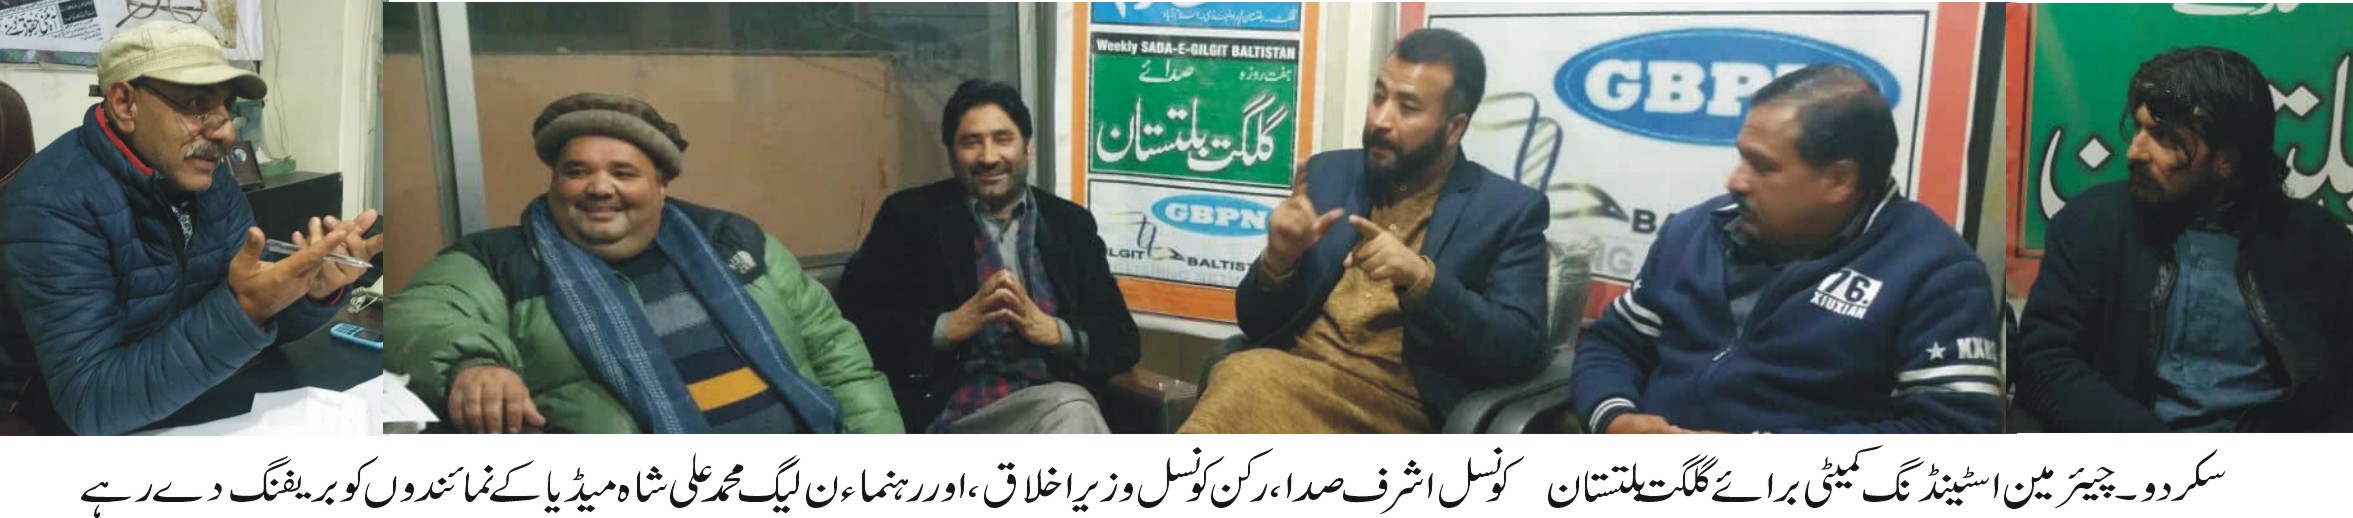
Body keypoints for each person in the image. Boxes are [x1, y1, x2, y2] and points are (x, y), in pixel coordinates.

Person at [386, 93, 900, 434]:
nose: (599, 187)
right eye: (577, 171)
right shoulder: (499, 261)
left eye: (623, 172)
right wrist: (474, 365)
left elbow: (838, 357)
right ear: (554, 182)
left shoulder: (732, 241)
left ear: (661, 185)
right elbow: (419, 314)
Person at [1570, 64, 2001, 434]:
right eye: (1742, 157)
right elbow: (1614, 343)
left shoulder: (1935, 272)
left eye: (1763, 166)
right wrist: (1615, 418)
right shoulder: (1696, 231)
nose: (1735, 181)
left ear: (1838, 180)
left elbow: (1953, 435)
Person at [0, 21, 379, 436]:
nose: (227, 131)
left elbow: (256, 329)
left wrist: (311, 290)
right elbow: (91, 402)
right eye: (198, 104)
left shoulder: (210, 181)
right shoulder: (52, 203)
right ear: (125, 104)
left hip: (187, 399)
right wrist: (246, 309)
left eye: (226, 106)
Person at [1178, 28, 1550, 433]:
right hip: (1292, 374)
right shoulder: (1329, 175)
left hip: (1393, 408)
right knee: (1243, 375)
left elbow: (1519, 350)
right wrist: (1278, 261)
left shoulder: (1507, 210)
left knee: (1244, 380)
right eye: (1378, 97)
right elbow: (1255, 323)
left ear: (1454, 128)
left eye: (1408, 108)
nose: (1381, 120)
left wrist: (1423, 280)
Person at [2013, 47, 2353, 432]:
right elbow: (2044, 363)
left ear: (2226, 162)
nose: (2135, 152)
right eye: (2138, 129)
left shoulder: (2321, 245)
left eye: (2163, 137)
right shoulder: (2089, 226)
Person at [836, 79, 1139, 434]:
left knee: (1070, 407)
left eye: (1002, 139)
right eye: (971, 142)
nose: (988, 157)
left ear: (1028, 147)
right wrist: (947, 327)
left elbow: (1122, 338)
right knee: (1072, 409)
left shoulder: (1070, 224)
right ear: (951, 152)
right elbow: (855, 325)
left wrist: (1054, 331)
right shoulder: (908, 217)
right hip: (957, 418)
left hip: (1056, 407)